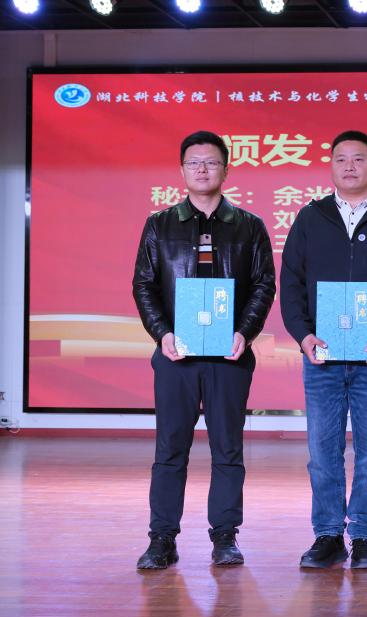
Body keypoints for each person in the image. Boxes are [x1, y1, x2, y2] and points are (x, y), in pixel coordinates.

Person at [280, 130, 367, 570]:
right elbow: (291, 282)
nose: (349, 166)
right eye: (340, 158)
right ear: (330, 165)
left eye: (359, 158)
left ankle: (363, 535)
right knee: (322, 452)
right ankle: (327, 534)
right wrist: (303, 335)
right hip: (321, 356)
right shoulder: (310, 218)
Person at [132, 130, 276, 569]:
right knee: (170, 449)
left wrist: (245, 332)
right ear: (182, 170)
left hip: (229, 356)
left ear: (225, 170)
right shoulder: (160, 225)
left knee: (228, 449)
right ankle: (162, 538)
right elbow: (144, 285)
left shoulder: (249, 226)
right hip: (176, 355)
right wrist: (162, 334)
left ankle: (225, 536)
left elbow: (264, 285)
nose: (202, 169)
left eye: (211, 162)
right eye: (194, 162)